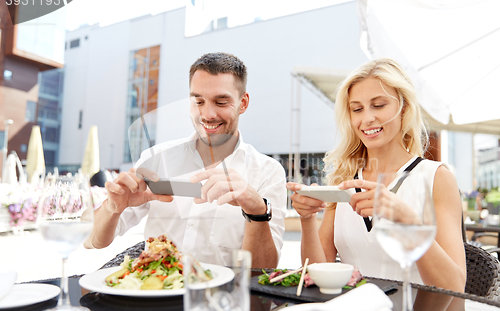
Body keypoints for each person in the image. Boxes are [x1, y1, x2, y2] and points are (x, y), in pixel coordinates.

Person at [85, 52, 286, 268]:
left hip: (222, 298)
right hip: (157, 294)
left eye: (221, 102)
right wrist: (112, 207)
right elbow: (92, 241)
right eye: (198, 101)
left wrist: (256, 210)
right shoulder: (155, 159)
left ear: (243, 103)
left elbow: (264, 270)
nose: (208, 114)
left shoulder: (267, 171)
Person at [286, 58, 466, 292]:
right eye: (357, 109)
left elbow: (454, 286)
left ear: (404, 108)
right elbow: (317, 274)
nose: (367, 118)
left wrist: (407, 221)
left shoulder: (436, 177)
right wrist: (307, 219)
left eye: (379, 105)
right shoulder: (343, 179)